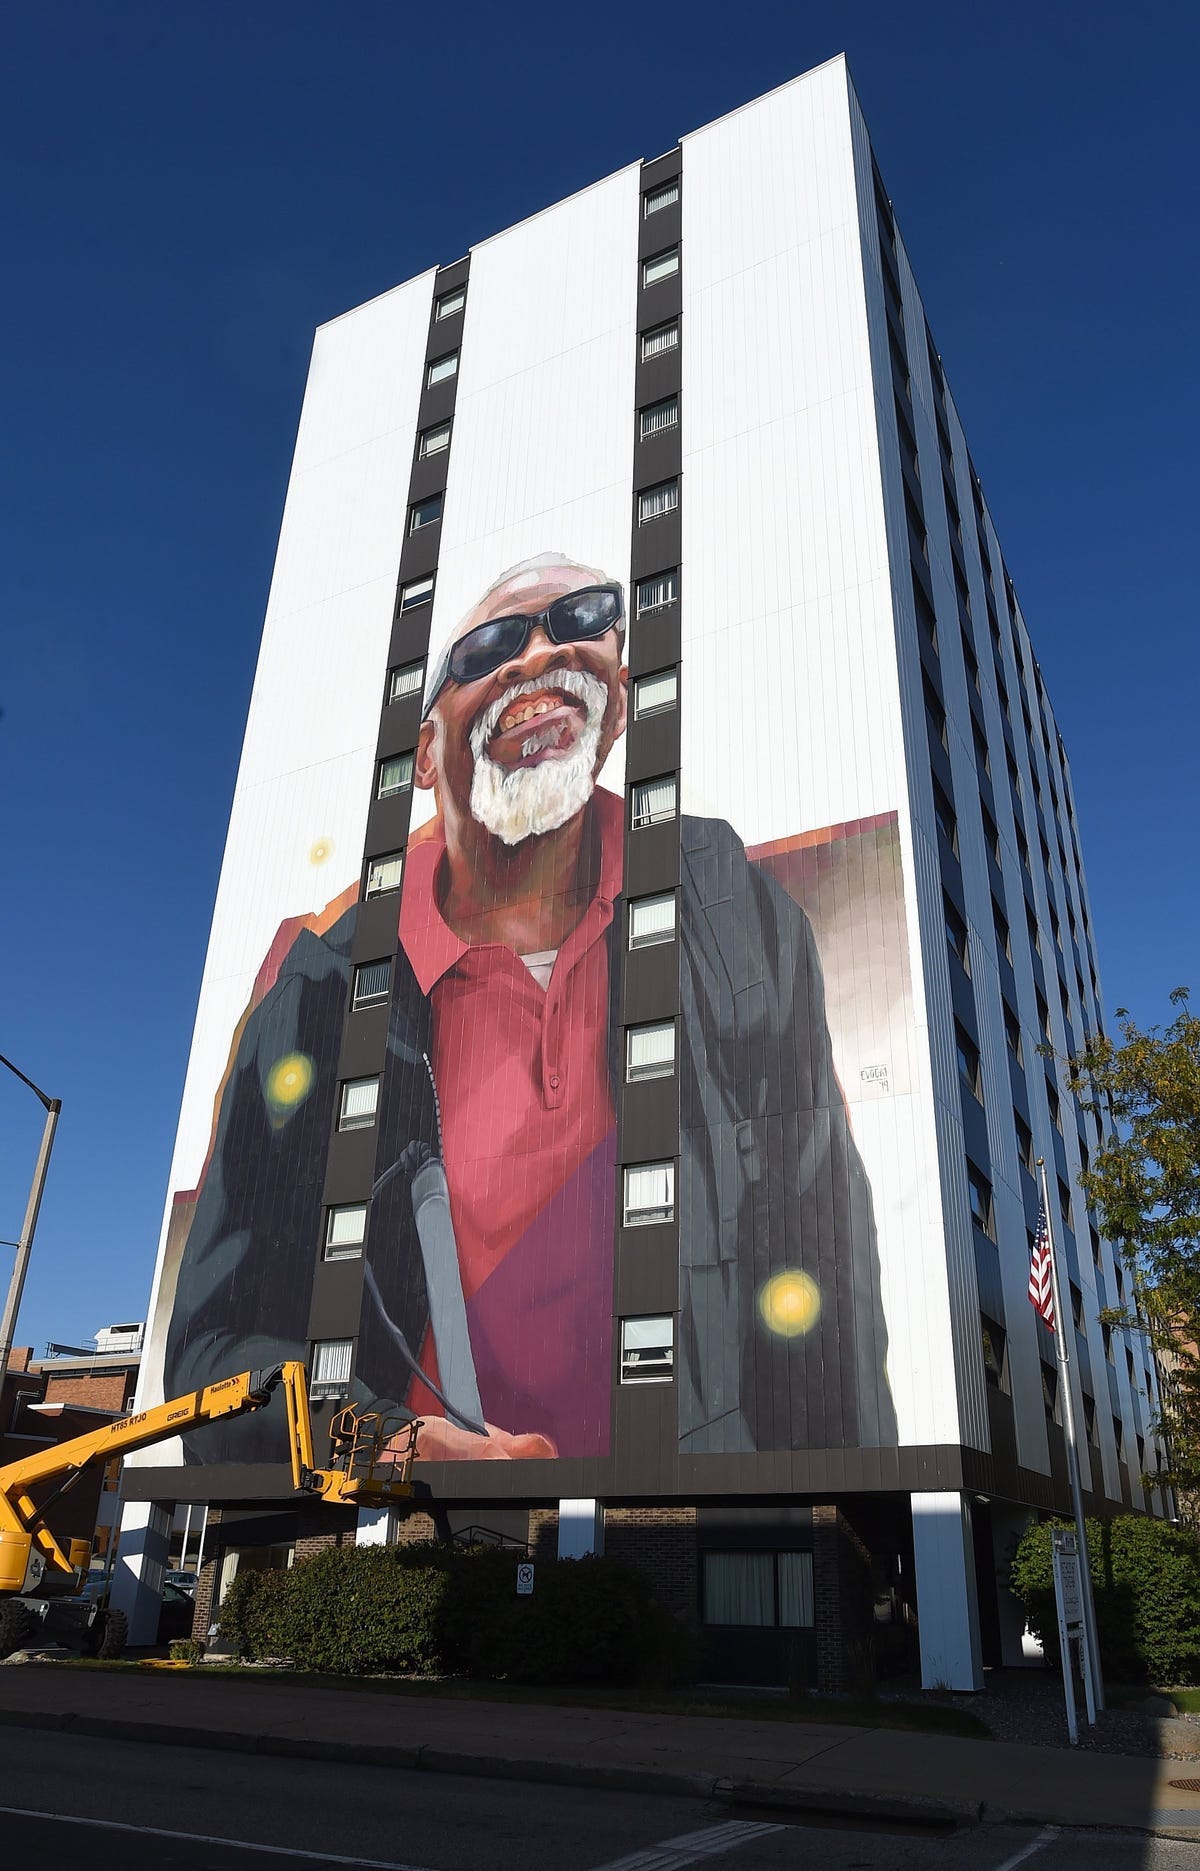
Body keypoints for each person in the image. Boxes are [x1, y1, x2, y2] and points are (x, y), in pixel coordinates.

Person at [164, 554, 895, 1465]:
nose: (536, 652)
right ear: (425, 756)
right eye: (489, 646)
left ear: (619, 705)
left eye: (581, 618)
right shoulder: (318, 997)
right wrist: (394, 1449)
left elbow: (827, 1268)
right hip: (417, 1552)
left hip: (684, 1537)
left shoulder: (735, 918)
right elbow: (211, 1363)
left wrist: (864, 1509)